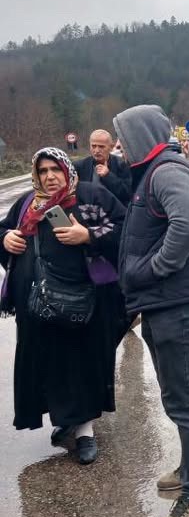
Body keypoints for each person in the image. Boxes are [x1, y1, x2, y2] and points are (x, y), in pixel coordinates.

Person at [113, 104, 189, 517]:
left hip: (177, 303)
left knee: (182, 400)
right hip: (166, 303)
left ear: (140, 135)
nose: (118, 148)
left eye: (122, 139)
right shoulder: (156, 171)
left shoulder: (166, 171)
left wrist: (154, 268)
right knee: (182, 394)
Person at [0, 148, 126, 464]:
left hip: (83, 303)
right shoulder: (29, 204)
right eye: (43, 171)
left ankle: (85, 432)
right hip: (37, 304)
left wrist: (89, 235)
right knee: (50, 364)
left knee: (80, 363)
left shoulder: (90, 196)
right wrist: (5, 239)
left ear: (67, 169)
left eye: (55, 169)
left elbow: (126, 231)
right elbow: (2, 229)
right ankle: (65, 417)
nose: (49, 176)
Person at [74, 129, 132, 205]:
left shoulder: (122, 165)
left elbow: (127, 194)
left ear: (111, 147)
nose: (97, 150)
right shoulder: (80, 166)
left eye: (101, 147)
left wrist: (108, 176)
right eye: (93, 146)